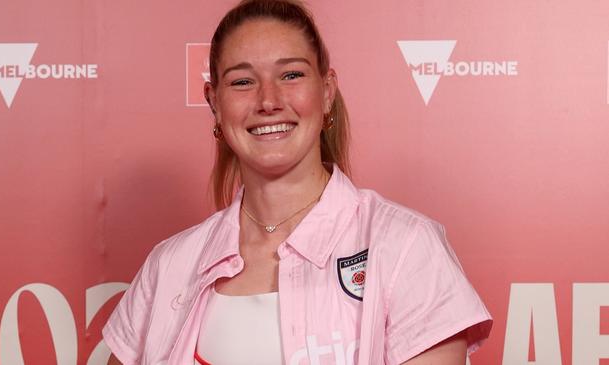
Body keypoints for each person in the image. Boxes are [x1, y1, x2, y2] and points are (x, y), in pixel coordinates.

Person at [103, 0, 492, 364]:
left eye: (291, 75)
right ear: (214, 103)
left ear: (326, 93)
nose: (268, 100)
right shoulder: (169, 265)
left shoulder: (405, 246)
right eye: (242, 82)